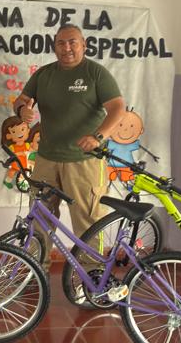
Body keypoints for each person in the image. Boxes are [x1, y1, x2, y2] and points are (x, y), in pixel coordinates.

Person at [11, 24, 125, 237]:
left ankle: (90, 261)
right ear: (54, 47)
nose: (67, 48)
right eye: (61, 43)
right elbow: (21, 100)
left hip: (85, 161)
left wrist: (98, 137)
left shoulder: (95, 73)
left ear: (84, 45)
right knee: (39, 220)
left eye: (73, 42)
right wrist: (21, 110)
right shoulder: (43, 74)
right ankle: (37, 260)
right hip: (46, 159)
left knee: (89, 221)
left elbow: (118, 108)